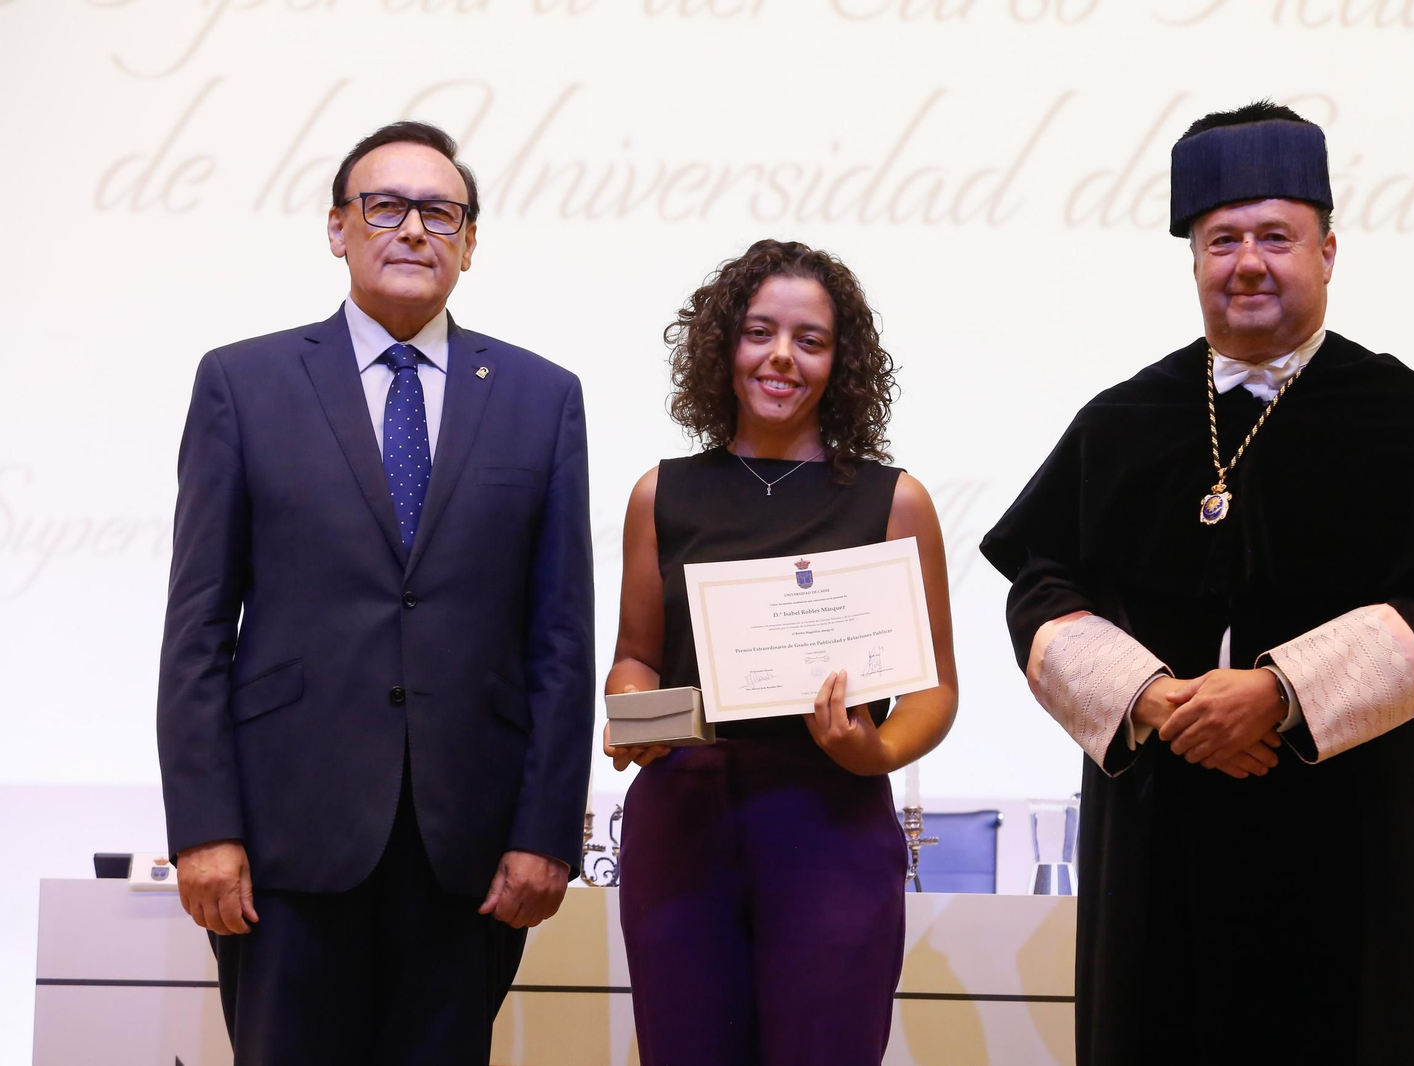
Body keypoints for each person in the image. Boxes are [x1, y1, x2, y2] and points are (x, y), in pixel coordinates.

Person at [981, 101, 1414, 1065]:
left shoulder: (1409, 418)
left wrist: (1278, 695)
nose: (1248, 263)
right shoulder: (1122, 421)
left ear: (1327, 250)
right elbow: (1039, 585)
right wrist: (1150, 697)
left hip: (1343, 834)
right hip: (1161, 841)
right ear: (1192, 258)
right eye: (1221, 238)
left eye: (1277, 236)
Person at [155, 120, 594, 1065]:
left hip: (466, 852)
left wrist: (546, 833)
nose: (411, 231)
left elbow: (559, 637)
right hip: (284, 844)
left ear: (470, 242)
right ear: (337, 228)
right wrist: (203, 829)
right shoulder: (244, 382)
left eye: (440, 212)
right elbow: (197, 626)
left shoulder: (540, 397)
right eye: (384, 207)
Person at [603, 239, 959, 1065]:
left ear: (842, 363)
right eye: (759, 332)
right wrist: (630, 714)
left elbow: (933, 692)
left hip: (831, 813)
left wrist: (875, 750)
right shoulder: (661, 493)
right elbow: (636, 656)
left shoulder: (894, 501)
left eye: (810, 340)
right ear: (722, 344)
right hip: (683, 815)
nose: (780, 358)